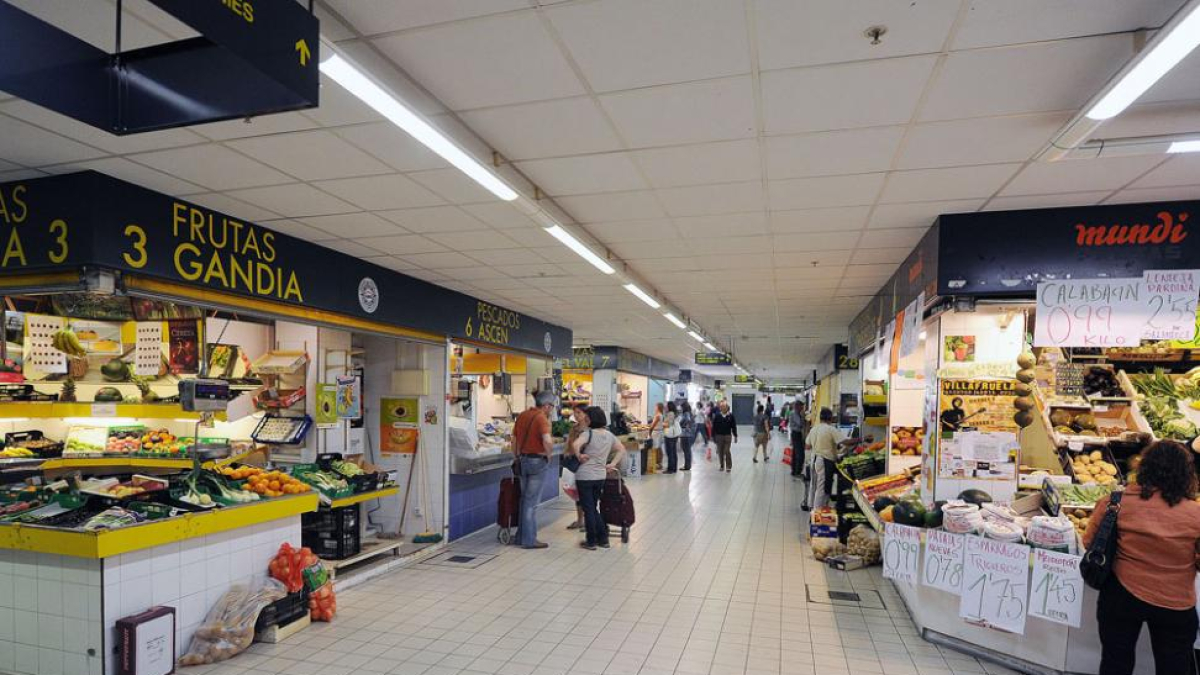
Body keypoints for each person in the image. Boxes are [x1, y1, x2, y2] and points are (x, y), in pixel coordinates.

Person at [1084, 440, 1200, 675]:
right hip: (1176, 602)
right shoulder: (1196, 514)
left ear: (1143, 468)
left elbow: (1089, 542)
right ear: (1187, 474)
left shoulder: (1116, 503)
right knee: (1174, 667)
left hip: (1120, 596)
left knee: (1116, 663)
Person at [572, 407, 627, 550]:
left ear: (590, 419)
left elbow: (575, 444)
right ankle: (603, 539)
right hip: (600, 476)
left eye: (586, 417)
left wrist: (579, 455)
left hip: (585, 476)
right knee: (593, 508)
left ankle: (591, 541)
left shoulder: (587, 434)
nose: (584, 419)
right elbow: (622, 449)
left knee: (588, 509)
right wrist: (612, 464)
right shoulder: (609, 435)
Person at [511, 391, 556, 549]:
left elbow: (514, 440)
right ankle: (529, 540)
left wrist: (516, 457)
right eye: (552, 406)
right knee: (531, 503)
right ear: (546, 405)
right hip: (537, 462)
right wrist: (549, 455)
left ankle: (520, 537)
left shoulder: (522, 415)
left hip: (522, 461)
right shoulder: (541, 418)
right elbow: (547, 441)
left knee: (524, 500)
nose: (552, 410)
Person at [805, 407, 851, 511]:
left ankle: (811, 507)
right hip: (825, 461)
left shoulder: (814, 428)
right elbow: (844, 442)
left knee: (814, 484)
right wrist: (860, 439)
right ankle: (817, 511)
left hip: (814, 459)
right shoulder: (830, 429)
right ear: (830, 418)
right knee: (822, 487)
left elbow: (807, 446)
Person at [563, 403, 590, 530]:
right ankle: (580, 520)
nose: (577, 415)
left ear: (586, 413)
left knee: (587, 493)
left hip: (586, 463)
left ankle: (588, 520)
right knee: (577, 493)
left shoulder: (591, 429)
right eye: (575, 413)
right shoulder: (574, 428)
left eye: (579, 412)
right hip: (574, 463)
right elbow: (569, 444)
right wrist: (567, 452)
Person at [710, 401, 738, 473]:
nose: (722, 408)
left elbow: (734, 426)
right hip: (719, 436)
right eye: (721, 407)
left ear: (727, 408)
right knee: (720, 451)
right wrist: (712, 436)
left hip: (727, 436)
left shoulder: (731, 416)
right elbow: (714, 426)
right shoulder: (717, 415)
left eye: (724, 407)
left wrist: (735, 436)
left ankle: (728, 466)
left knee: (727, 451)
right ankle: (722, 465)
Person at [788, 403, 808, 480]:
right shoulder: (795, 413)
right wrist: (803, 417)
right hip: (796, 434)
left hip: (796, 434)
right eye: (802, 407)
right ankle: (797, 472)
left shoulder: (795, 413)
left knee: (795, 453)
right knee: (800, 454)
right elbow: (800, 423)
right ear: (797, 407)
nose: (803, 408)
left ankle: (794, 471)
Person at [678, 401, 697, 471]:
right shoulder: (690, 413)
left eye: (681, 407)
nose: (680, 409)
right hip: (689, 434)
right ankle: (687, 465)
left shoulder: (686, 413)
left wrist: (680, 424)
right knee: (687, 450)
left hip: (686, 434)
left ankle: (687, 466)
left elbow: (686, 420)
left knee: (686, 450)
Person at [663, 401, 680, 473]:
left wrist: (661, 424)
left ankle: (670, 469)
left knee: (670, 452)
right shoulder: (674, 413)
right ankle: (674, 468)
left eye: (666, 406)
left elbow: (668, 424)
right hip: (674, 435)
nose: (665, 407)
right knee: (673, 452)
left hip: (670, 436)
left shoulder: (670, 413)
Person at [649, 402, 664, 471]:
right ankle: (659, 463)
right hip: (660, 432)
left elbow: (652, 426)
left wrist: (649, 432)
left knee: (655, 448)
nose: (655, 408)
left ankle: (656, 463)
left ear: (658, 407)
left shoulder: (658, 415)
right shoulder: (661, 415)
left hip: (656, 433)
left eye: (655, 406)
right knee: (659, 448)